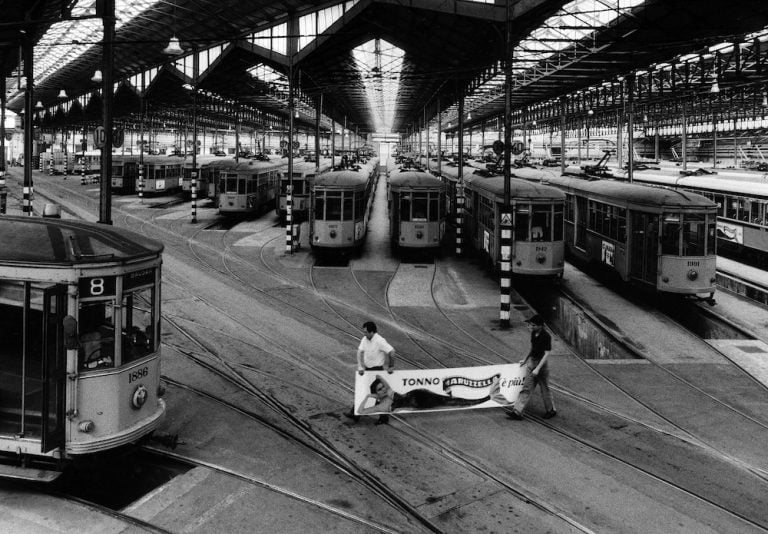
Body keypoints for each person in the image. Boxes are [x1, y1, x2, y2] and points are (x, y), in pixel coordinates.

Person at [357, 375, 500, 422]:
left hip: (420, 394)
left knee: (451, 401)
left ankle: (487, 397)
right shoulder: (381, 406)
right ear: (376, 393)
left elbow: (379, 377)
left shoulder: (388, 392)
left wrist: (375, 393)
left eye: (382, 388)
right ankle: (489, 397)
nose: (382, 390)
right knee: (451, 403)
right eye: (379, 390)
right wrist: (369, 396)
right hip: (420, 404)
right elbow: (361, 410)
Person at [345, 321, 395, 424]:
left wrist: (391, 366)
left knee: (379, 394)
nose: (364, 334)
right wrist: (360, 366)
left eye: (366, 332)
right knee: (362, 391)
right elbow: (359, 352)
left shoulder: (380, 341)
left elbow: (392, 352)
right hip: (367, 370)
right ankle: (355, 414)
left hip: (377, 371)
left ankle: (384, 418)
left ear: (372, 332)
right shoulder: (365, 339)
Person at [507, 314, 556, 420]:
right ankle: (517, 411)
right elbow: (532, 348)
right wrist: (525, 359)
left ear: (540, 326)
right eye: (530, 325)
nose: (530, 327)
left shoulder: (546, 336)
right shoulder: (534, 333)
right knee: (526, 387)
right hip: (532, 362)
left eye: (533, 325)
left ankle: (551, 410)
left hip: (541, 365)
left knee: (544, 388)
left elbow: (546, 354)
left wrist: (538, 368)